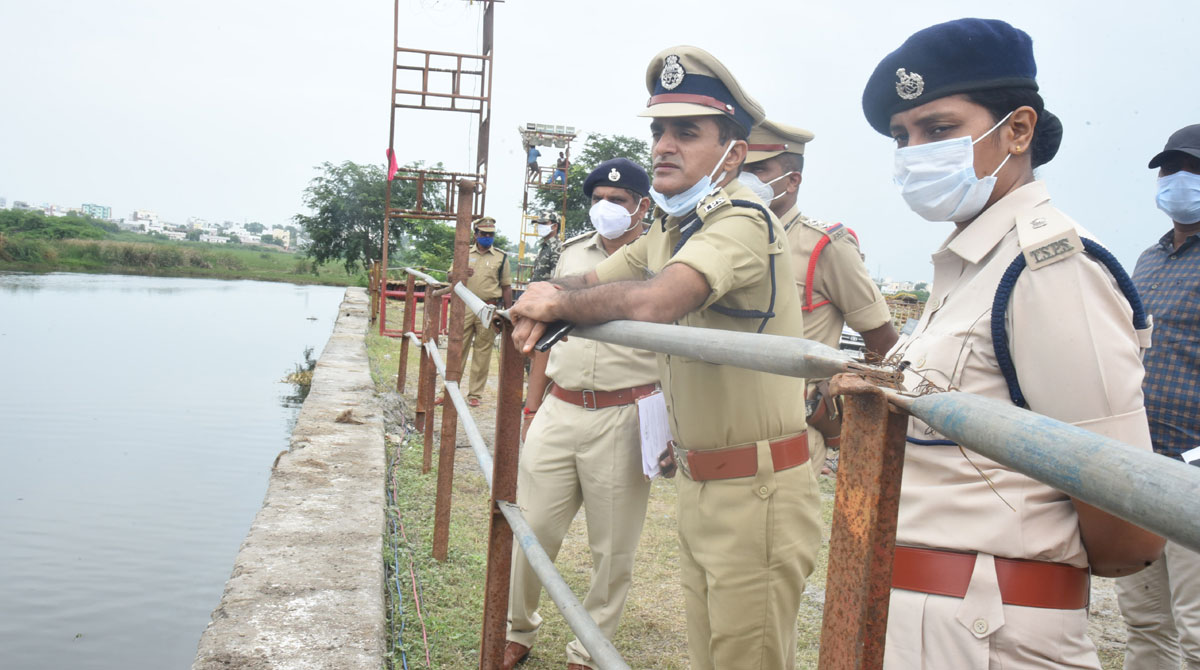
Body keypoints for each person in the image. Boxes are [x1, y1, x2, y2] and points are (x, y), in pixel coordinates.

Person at [860, 18, 1164, 668]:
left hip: (987, 630)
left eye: (938, 129)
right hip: (924, 612)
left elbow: (1126, 522)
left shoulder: (1050, 268)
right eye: (902, 137)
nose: (915, 153)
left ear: (1018, 130)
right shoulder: (974, 263)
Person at [509, 46, 821, 670]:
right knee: (711, 654)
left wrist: (557, 307)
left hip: (757, 485)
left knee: (746, 657)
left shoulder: (740, 220)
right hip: (706, 479)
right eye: (657, 130)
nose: (663, 146)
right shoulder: (672, 229)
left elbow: (657, 301)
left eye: (687, 131)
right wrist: (543, 295)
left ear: (733, 150)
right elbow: (592, 278)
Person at [502, 158, 656, 670]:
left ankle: (589, 651)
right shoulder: (570, 255)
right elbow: (547, 331)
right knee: (531, 529)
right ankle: (516, 630)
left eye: (618, 201)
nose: (606, 208)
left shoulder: (662, 264)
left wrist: (669, 426)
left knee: (612, 550)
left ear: (643, 207)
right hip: (560, 407)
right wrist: (531, 405)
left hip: (625, 413)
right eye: (599, 200)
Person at [740, 119, 898, 474]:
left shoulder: (824, 246)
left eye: (758, 169)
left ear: (792, 180)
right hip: (726, 420)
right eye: (739, 170)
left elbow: (882, 338)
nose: (744, 181)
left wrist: (837, 405)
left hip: (791, 426)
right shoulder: (725, 240)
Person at [1115, 123, 1200, 670]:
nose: (1178, 181)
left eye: (1192, 169)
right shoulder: (1148, 260)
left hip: (1196, 469)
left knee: (1197, 630)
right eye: (1170, 169)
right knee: (1145, 622)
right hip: (1142, 463)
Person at [451, 217, 511, 407]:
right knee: (457, 348)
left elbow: (506, 286)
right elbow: (449, 275)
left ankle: (475, 394)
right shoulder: (463, 253)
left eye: (490, 234)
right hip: (465, 305)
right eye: (483, 234)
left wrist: (507, 313)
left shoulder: (501, 257)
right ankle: (449, 390)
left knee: (482, 352)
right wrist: (460, 273)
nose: (487, 237)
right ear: (475, 234)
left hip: (489, 307)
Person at [530, 213, 561, 282]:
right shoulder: (545, 247)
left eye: (544, 223)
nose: (539, 226)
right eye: (538, 224)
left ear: (555, 226)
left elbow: (556, 279)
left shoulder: (557, 247)